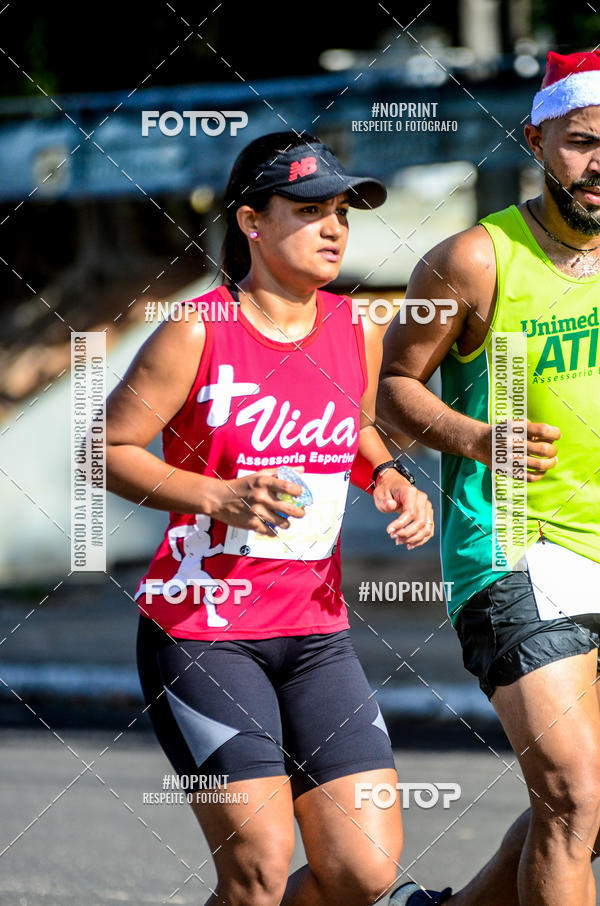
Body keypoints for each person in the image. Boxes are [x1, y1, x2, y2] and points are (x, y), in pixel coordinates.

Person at [105, 131, 435, 906]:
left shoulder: (356, 327)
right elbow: (104, 451)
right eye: (310, 210)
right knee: (256, 868)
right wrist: (215, 496)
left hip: (316, 631)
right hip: (202, 630)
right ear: (252, 221)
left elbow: (354, 428)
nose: (334, 228)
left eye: (342, 213)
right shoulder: (197, 329)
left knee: (363, 869)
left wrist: (388, 475)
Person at [380, 50, 600, 906]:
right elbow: (393, 389)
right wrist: (478, 437)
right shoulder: (473, 259)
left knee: (583, 809)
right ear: (536, 140)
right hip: (515, 547)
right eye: (583, 141)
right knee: (574, 795)